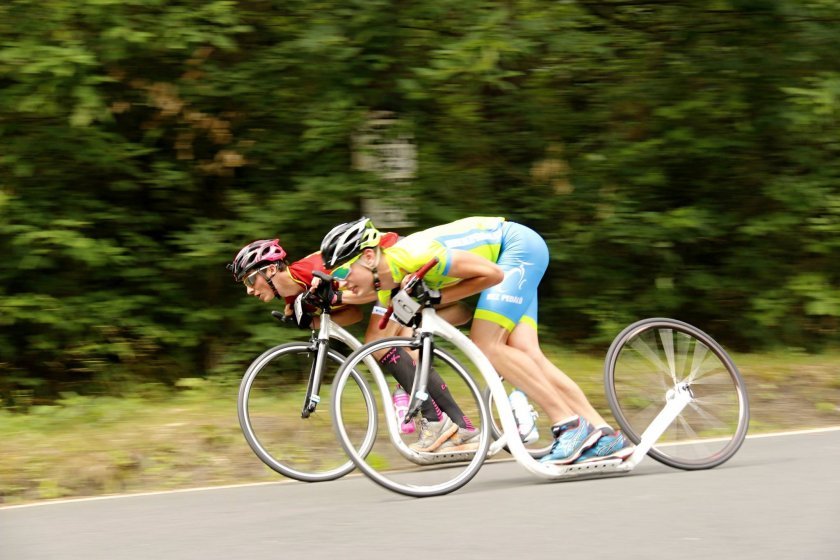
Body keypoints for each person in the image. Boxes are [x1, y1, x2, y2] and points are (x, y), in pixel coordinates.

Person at [321, 216, 634, 464]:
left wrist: (436, 297)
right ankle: (603, 434)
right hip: (511, 254)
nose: (343, 281)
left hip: (515, 248)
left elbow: (493, 275)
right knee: (527, 353)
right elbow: (387, 334)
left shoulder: (416, 255)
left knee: (487, 343)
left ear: (369, 256)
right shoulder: (392, 280)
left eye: (345, 270)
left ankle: (569, 424)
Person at [226, 237, 479, 453]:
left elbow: (369, 291)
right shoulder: (295, 293)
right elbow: (352, 314)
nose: (249, 291)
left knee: (378, 345)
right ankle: (463, 427)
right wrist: (312, 320)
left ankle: (440, 423)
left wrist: (332, 295)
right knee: (405, 352)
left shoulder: (312, 270)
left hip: (395, 269)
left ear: (270, 271)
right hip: (387, 284)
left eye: (250, 281)